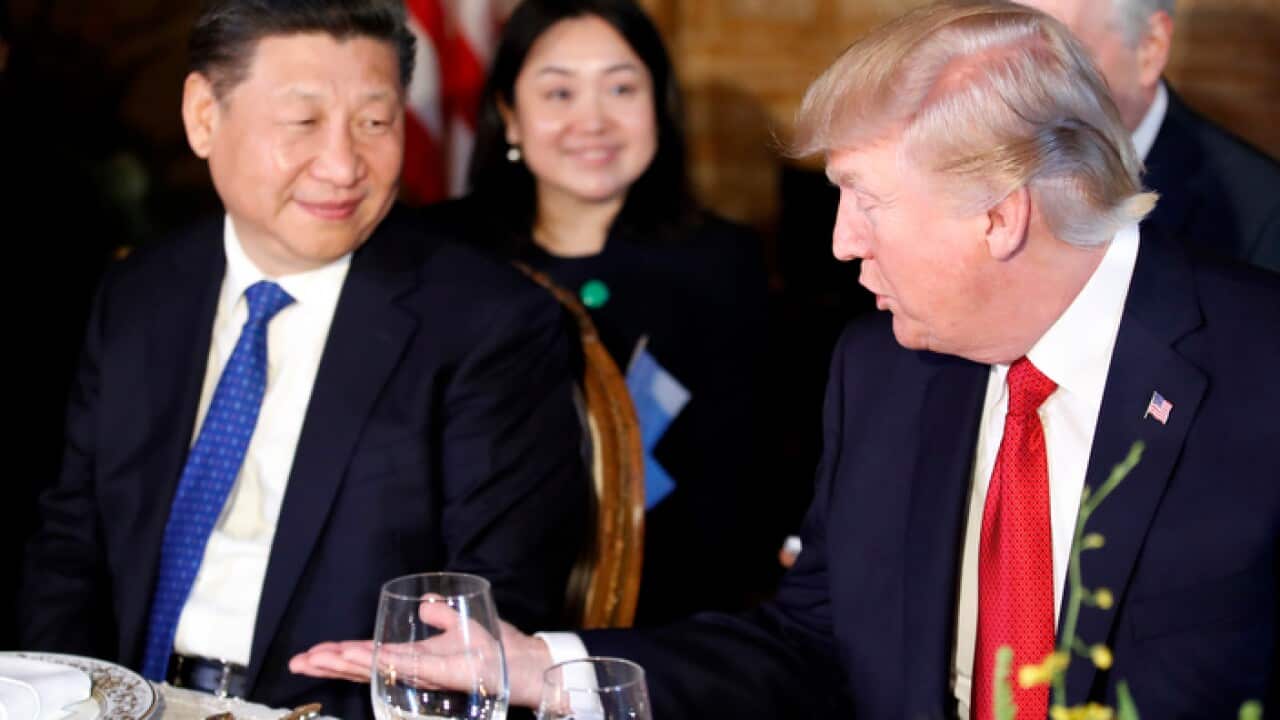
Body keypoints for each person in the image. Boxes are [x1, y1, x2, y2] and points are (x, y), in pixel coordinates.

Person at [290, 2, 1280, 718]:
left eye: (864, 199)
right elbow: (812, 640)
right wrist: (543, 670)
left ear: (998, 215)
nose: (840, 243)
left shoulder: (1257, 367)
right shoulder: (887, 370)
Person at [18, 1, 587, 718]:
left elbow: (487, 613)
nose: (345, 165)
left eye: (375, 123)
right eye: (303, 122)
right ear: (203, 116)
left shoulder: (485, 325)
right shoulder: (140, 293)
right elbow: (69, 545)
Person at [414, 0, 777, 624]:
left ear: (658, 107)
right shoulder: (433, 256)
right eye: (559, 93)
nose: (593, 120)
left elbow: (747, 491)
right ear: (509, 115)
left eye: (621, 87)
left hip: (662, 628)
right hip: (458, 615)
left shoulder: (724, 263)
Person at [1020, 0, 1280, 273]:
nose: (1021, 82)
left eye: (1056, 53)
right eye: (1010, 52)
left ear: (1150, 47)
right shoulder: (987, 164)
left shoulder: (1262, 217)